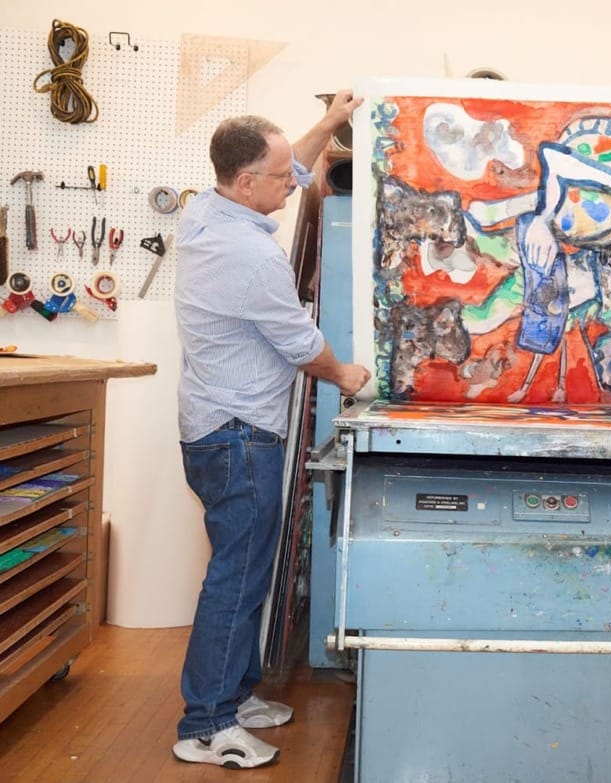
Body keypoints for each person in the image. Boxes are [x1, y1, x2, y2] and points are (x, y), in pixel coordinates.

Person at [171, 92, 372, 769]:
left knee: (245, 574)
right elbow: (301, 344)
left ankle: (232, 695)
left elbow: (304, 172)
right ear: (245, 181)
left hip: (215, 425)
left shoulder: (209, 209)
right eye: (283, 175)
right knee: (235, 579)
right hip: (238, 437)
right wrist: (346, 374)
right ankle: (206, 724)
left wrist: (329, 121)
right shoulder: (248, 256)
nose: (299, 182)